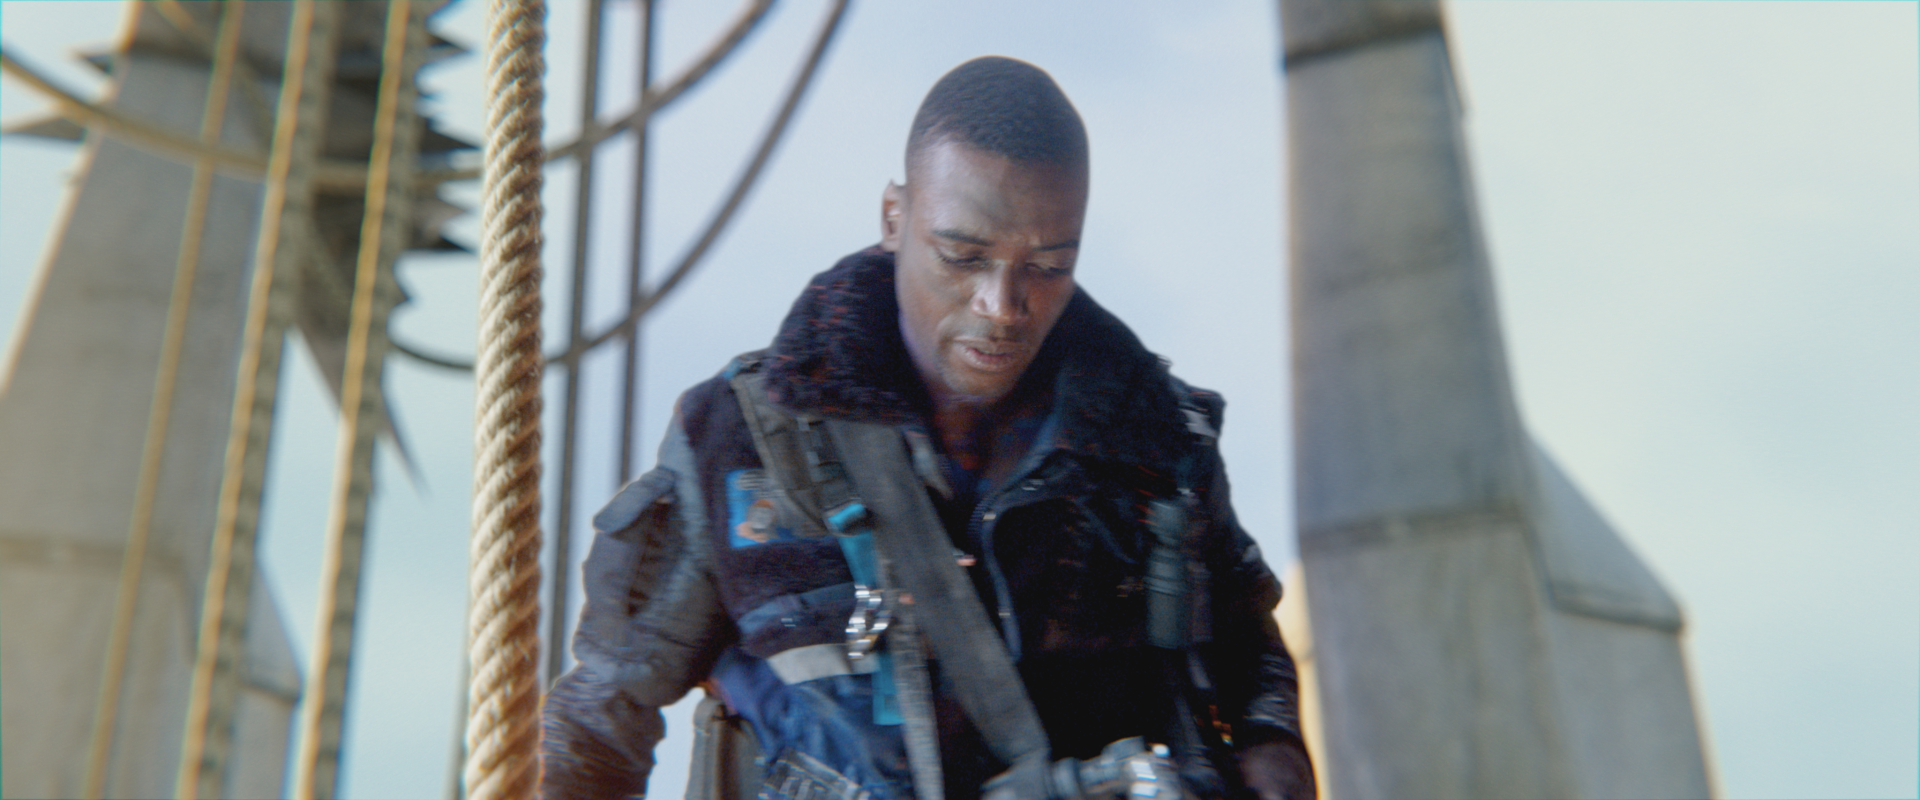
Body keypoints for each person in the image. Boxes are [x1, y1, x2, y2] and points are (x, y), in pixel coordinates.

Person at [541, 56, 1314, 800]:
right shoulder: (737, 441)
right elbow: (597, 723)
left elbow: (1250, 649)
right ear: (894, 217)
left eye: (1048, 266)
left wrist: (1273, 745)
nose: (1002, 305)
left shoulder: (1159, 443)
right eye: (963, 256)